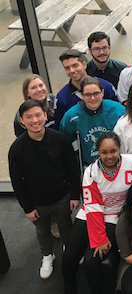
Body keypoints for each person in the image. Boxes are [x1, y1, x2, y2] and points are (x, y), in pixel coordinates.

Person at [60, 132, 132, 294]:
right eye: (104, 152)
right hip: (93, 212)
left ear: (120, 149)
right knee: (70, 255)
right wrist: (99, 238)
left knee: (92, 259)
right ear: (98, 152)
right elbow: (93, 207)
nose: (110, 156)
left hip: (118, 216)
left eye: (114, 151)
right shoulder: (91, 172)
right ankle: (70, 287)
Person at [8, 99, 80, 279]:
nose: (34, 120)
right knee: (42, 231)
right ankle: (48, 255)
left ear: (45, 115)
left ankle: (69, 249)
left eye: (38, 115)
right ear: (22, 121)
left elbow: (72, 168)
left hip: (61, 196)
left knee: (65, 225)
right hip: (36, 202)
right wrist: (27, 208)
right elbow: (17, 181)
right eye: (28, 117)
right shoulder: (17, 149)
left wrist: (74, 195)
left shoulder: (60, 139)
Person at [60, 77, 126, 169]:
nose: (92, 98)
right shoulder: (71, 116)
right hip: (89, 167)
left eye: (96, 93)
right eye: (87, 95)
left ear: (102, 93)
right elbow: (65, 144)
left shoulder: (118, 109)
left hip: (118, 163)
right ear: (81, 95)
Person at [54, 49, 118, 126]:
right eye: (67, 68)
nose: (72, 70)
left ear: (84, 65)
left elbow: (118, 113)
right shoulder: (62, 97)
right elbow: (61, 127)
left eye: (75, 65)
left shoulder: (107, 87)